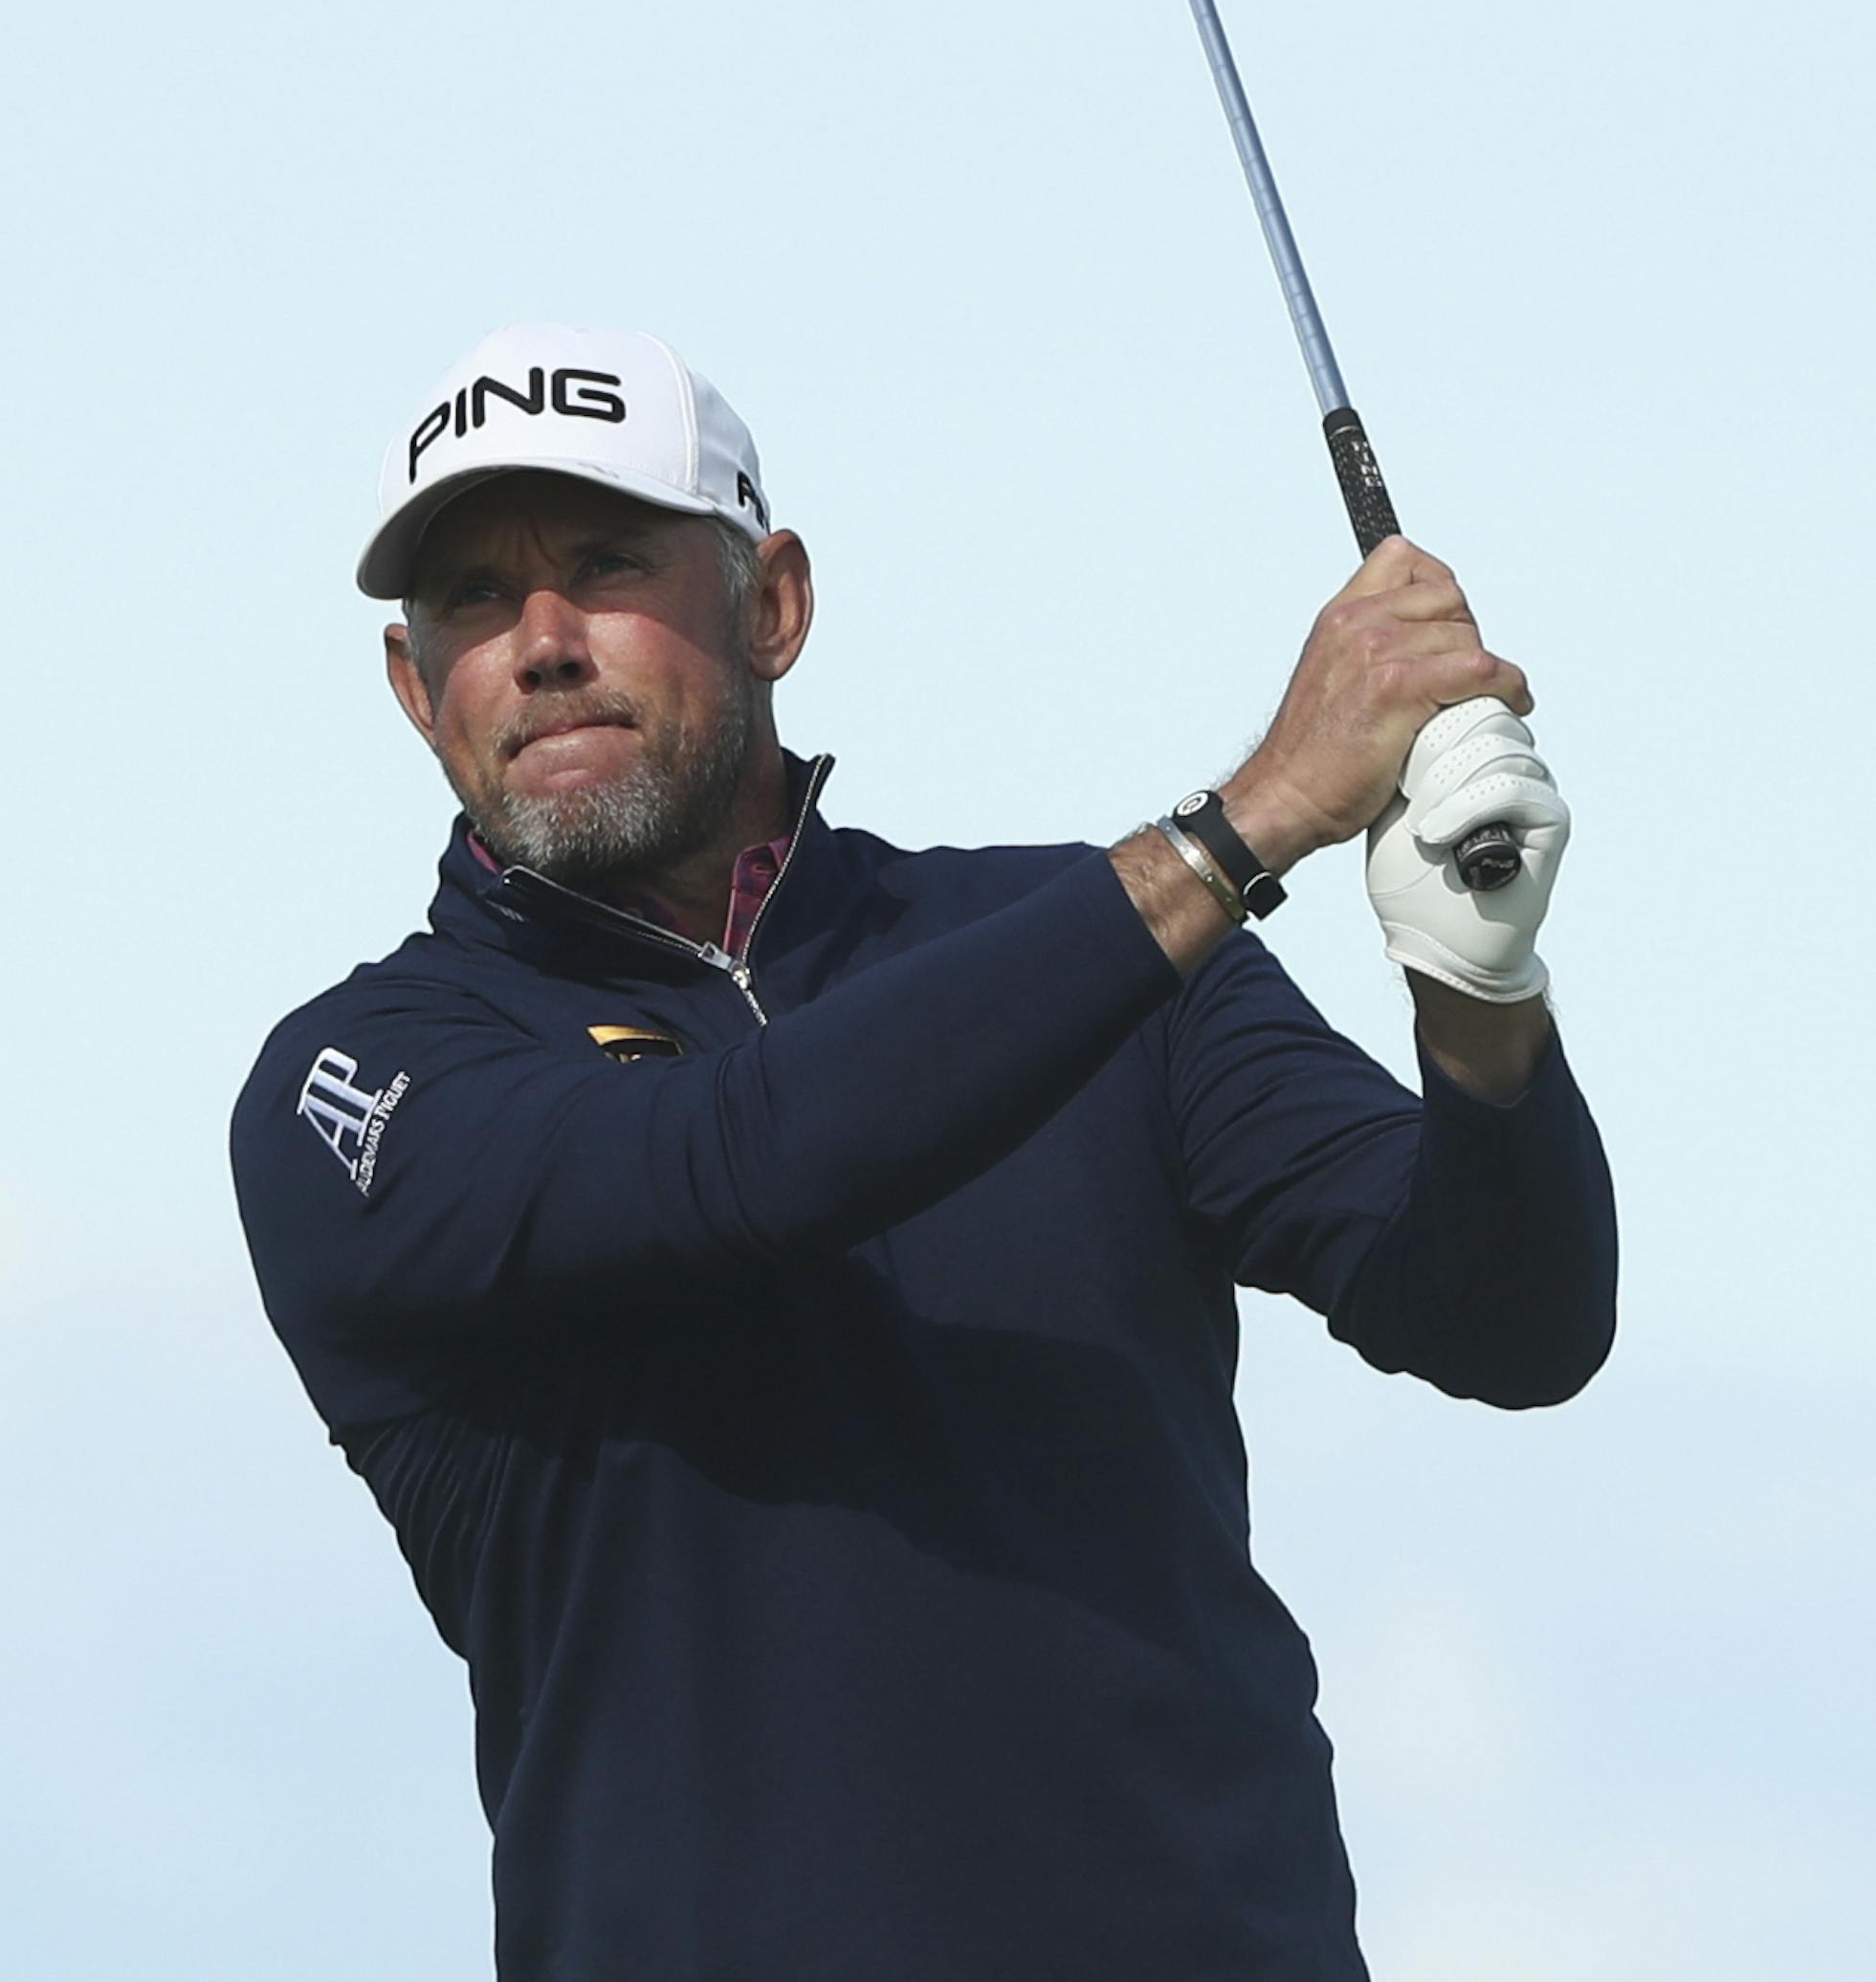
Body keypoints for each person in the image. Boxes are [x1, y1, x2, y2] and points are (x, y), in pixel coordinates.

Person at [231, 319, 1615, 1982]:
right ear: (411, 686)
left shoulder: (1094, 953)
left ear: (776, 604)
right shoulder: (361, 1076)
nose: (537, 642)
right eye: (470, 599)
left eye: (606, 563)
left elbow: (1512, 1321)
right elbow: (731, 1163)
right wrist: (1243, 826)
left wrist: (1482, 995)